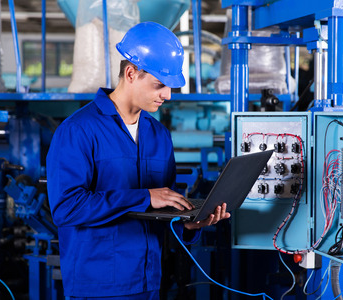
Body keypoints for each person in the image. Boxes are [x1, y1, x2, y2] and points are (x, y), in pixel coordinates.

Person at [47, 22, 230, 299]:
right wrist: (144, 197)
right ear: (131, 73)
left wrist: (188, 224)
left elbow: (163, 208)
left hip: (149, 282)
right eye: (159, 85)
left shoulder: (159, 135)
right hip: (98, 286)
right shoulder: (78, 130)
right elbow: (66, 208)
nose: (167, 95)